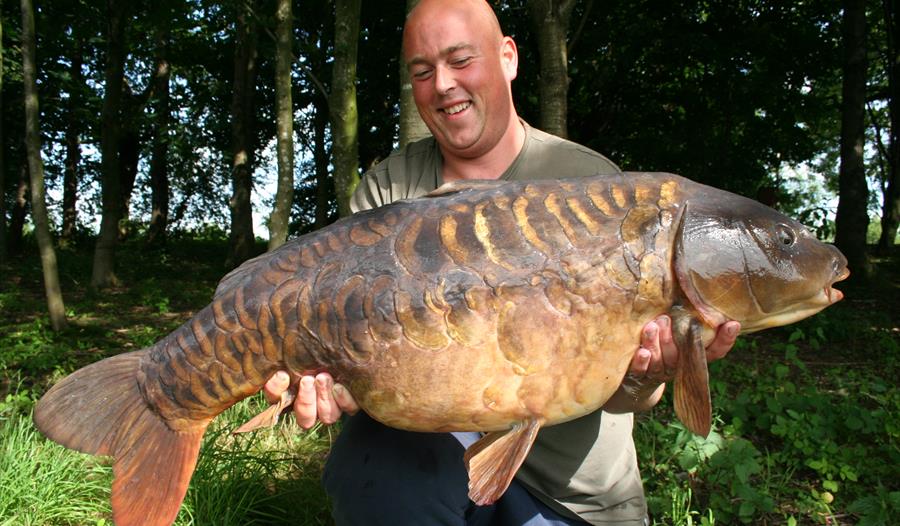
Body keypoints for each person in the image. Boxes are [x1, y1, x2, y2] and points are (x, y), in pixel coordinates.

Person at [264, 0, 739, 524]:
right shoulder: (389, 192)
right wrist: (319, 382)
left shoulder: (588, 180)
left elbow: (628, 396)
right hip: (427, 456)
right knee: (372, 466)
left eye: (460, 60)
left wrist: (653, 372)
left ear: (508, 57)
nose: (442, 83)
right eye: (422, 72)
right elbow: (334, 349)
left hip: (568, 492)